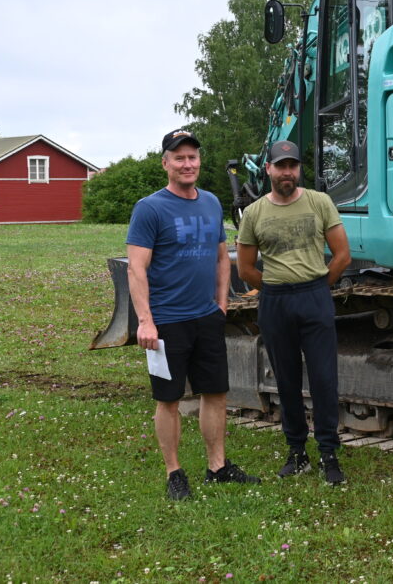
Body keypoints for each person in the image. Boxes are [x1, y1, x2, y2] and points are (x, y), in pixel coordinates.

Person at [127, 129, 261, 501]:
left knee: (215, 393)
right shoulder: (150, 208)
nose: (188, 164)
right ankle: (174, 473)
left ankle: (217, 467)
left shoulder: (212, 203)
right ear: (166, 163)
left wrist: (222, 302)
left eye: (193, 157)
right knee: (168, 399)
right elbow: (136, 269)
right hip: (167, 321)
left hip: (207, 317)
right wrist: (145, 320)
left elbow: (222, 257)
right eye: (180, 157)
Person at [235, 140, 352, 485]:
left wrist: (317, 286)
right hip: (276, 302)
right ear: (268, 169)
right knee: (285, 380)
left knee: (323, 378)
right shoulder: (255, 212)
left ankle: (329, 453)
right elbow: (244, 269)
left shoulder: (320, 202)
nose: (287, 172)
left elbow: (342, 255)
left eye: (293, 166)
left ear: (299, 169)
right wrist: (275, 287)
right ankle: (296, 451)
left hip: (314, 296)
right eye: (280, 166)